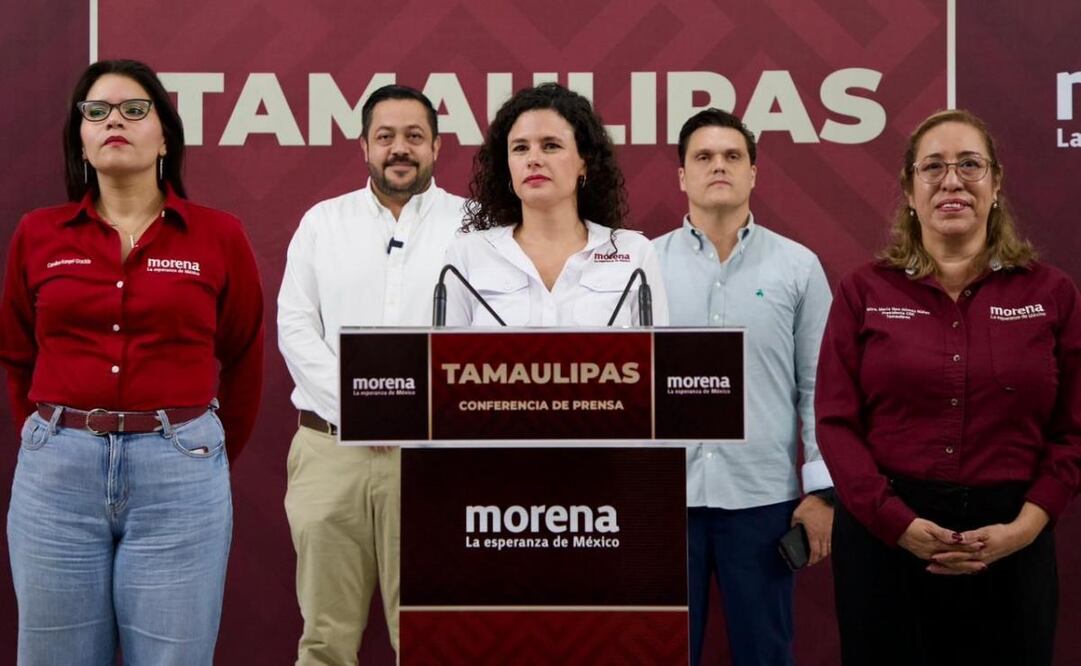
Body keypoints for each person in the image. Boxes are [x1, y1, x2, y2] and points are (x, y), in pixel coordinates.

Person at [0, 59, 264, 665]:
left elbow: (245, 358)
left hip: (180, 475)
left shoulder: (218, 236)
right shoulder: (37, 234)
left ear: (164, 134)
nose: (113, 120)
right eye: (95, 112)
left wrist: (202, 451)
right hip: (56, 478)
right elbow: (16, 351)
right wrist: (45, 435)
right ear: (82, 140)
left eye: (133, 109)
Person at [815, 109, 1081, 666]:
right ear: (910, 190)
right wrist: (897, 524)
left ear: (997, 183)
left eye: (970, 165)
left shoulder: (1053, 293)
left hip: (1012, 542)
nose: (952, 180)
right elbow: (836, 424)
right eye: (932, 166)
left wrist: (1028, 525)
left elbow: (1073, 429)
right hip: (885, 541)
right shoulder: (862, 291)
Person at [278, 84, 465, 665]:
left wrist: (411, 410)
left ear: (436, 146)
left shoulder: (477, 225)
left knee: (433, 639)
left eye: (414, 136)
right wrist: (364, 406)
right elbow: (295, 327)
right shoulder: (321, 223)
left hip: (433, 457)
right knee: (325, 638)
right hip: (330, 451)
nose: (399, 149)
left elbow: (485, 338)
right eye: (385, 137)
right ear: (364, 146)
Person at [652, 108, 834, 666]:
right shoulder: (641, 266)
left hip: (763, 502)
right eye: (703, 157)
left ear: (754, 172)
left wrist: (823, 493)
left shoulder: (798, 267)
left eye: (732, 156)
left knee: (765, 654)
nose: (719, 167)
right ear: (682, 175)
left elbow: (819, 390)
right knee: (662, 653)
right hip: (661, 500)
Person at [444, 82, 667, 327]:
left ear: (584, 162)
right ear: (507, 166)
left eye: (551, 146)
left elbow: (656, 360)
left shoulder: (634, 252)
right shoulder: (468, 254)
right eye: (520, 148)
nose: (533, 159)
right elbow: (446, 362)